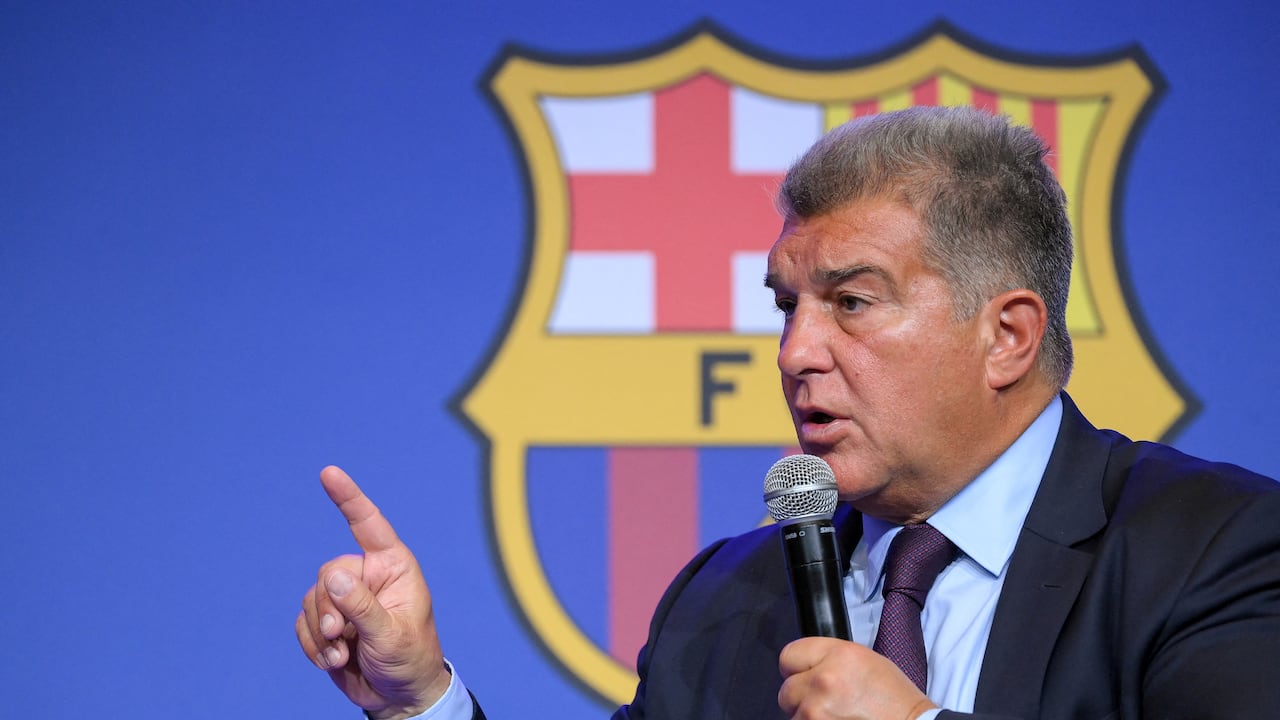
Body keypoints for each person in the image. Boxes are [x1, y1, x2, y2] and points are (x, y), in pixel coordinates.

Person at [296, 106, 1280, 719]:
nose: (795, 351)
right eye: (786, 306)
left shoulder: (1208, 548)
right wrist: (421, 700)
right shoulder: (723, 597)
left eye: (850, 303)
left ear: (1008, 336)